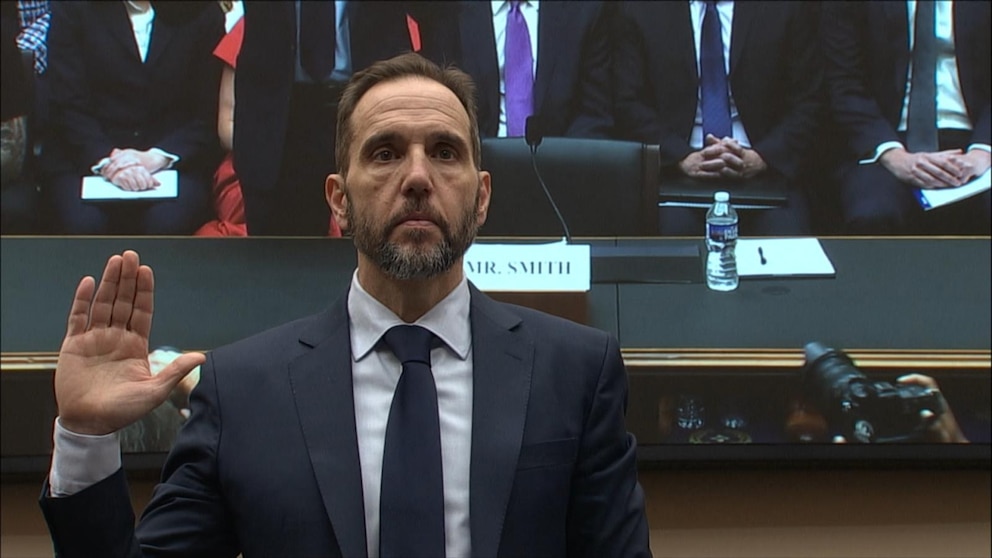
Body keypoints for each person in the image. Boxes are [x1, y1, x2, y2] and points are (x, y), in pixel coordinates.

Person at [39, 52, 652, 558]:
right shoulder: (244, 391)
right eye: (385, 153)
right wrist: (86, 438)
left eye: (445, 152)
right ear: (338, 200)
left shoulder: (574, 373)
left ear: (482, 196)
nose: (418, 177)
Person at [234, 2, 457, 236]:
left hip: (374, 106)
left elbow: (438, 14)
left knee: (381, 241)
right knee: (279, 250)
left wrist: (432, 93)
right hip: (278, 120)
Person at [613, 0, 821, 236]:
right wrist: (681, 157)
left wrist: (762, 157)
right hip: (675, 170)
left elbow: (809, 101)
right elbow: (628, 103)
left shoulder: (784, 8)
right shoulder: (642, 9)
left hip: (767, 168)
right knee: (672, 242)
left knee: (788, 244)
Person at [42, 1, 224, 235]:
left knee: (167, 223)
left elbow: (207, 111)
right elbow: (66, 103)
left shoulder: (201, 11)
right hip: (84, 155)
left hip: (175, 157)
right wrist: (109, 161)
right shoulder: (73, 7)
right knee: (84, 225)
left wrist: (157, 157)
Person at [821, 1, 990, 235]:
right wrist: (895, 156)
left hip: (976, 136)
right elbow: (845, 85)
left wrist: (983, 152)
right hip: (886, 139)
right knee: (872, 213)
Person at [453, 0, 615, 138]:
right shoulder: (451, 11)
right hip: (479, 156)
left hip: (558, 157)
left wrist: (559, 158)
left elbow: (594, 114)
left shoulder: (584, 10)